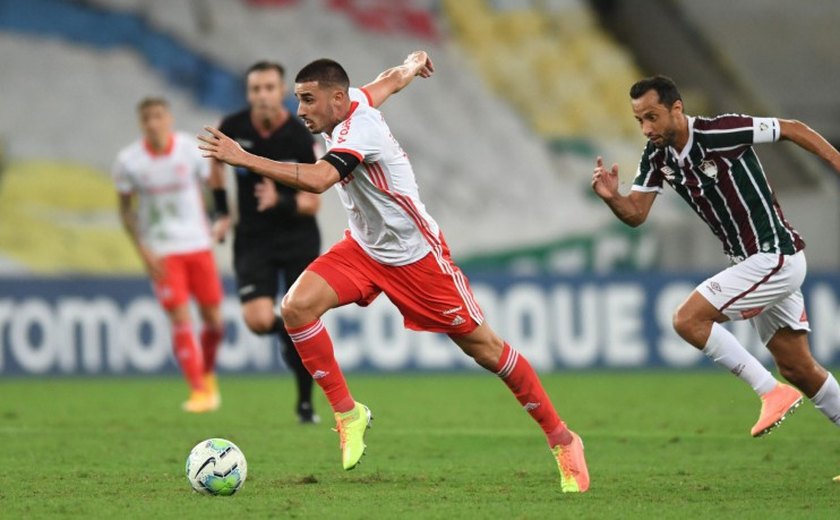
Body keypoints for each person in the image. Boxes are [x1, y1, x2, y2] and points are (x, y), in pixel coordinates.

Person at [199, 51, 590, 493]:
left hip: (416, 258)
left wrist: (243, 157)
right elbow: (388, 81)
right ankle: (348, 414)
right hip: (364, 250)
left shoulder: (358, 129)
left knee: (486, 350)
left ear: (337, 99)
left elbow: (318, 180)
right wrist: (411, 65)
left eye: (308, 100)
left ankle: (562, 439)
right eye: (298, 100)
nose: (300, 110)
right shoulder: (355, 104)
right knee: (296, 307)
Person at [591, 75, 840, 441]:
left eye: (652, 117)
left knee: (688, 319)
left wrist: (836, 159)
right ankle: (783, 387)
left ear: (677, 108)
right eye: (639, 121)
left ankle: (770, 392)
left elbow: (790, 128)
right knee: (798, 367)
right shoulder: (658, 156)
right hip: (750, 264)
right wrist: (613, 198)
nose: (646, 128)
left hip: (774, 255)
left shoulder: (719, 132)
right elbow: (637, 214)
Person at [209, 61, 322, 424]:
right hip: (254, 239)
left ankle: (305, 403)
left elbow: (313, 200)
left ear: (281, 91)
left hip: (296, 238)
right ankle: (292, 334)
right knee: (259, 321)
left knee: (300, 316)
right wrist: (223, 213)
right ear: (248, 93)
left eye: (269, 88)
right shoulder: (234, 128)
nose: (262, 96)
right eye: (256, 89)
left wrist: (281, 200)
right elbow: (215, 169)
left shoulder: (301, 136)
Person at [114, 97, 224, 413]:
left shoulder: (189, 150)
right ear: (141, 123)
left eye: (158, 116)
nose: (153, 123)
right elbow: (125, 210)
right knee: (179, 317)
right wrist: (143, 251)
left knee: (214, 321)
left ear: (169, 119)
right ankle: (199, 391)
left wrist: (221, 217)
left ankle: (207, 373)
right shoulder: (129, 162)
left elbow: (214, 184)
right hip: (162, 250)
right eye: (146, 118)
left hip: (198, 244)